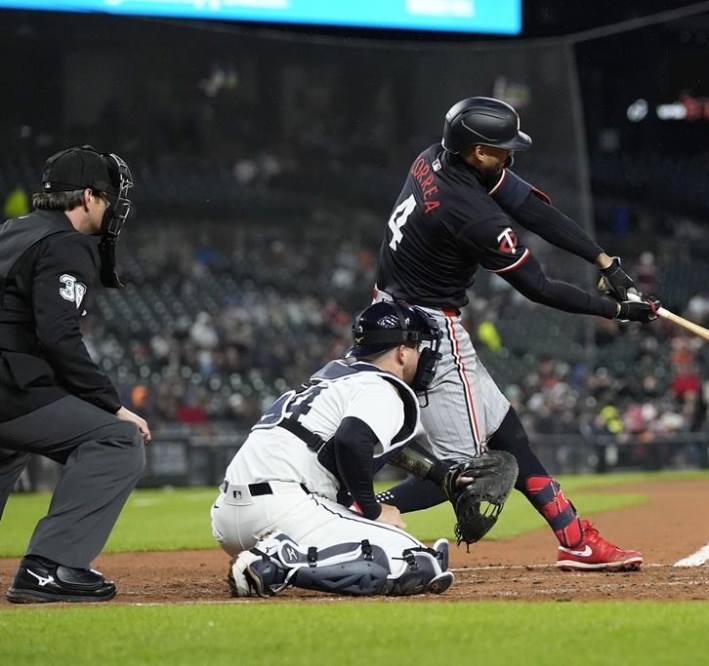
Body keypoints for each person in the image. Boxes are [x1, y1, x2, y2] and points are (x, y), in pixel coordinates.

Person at [371, 95, 660, 571]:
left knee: (509, 434)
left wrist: (605, 262)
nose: (511, 155)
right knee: (469, 473)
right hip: (426, 333)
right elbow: (539, 288)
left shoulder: (435, 157)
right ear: (478, 152)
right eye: (503, 148)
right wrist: (615, 310)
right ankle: (355, 512)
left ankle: (575, 539)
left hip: (396, 314)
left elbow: (531, 208)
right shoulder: (468, 211)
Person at [213, 301, 457, 597]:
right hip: (285, 508)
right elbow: (352, 439)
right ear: (402, 352)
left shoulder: (332, 382)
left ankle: (279, 554)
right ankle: (279, 562)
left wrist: (445, 473)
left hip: (228, 517)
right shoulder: (379, 386)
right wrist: (372, 510)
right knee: (420, 563)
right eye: (417, 347)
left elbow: (369, 443)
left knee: (413, 555)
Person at [0, 145, 150, 603]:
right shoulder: (66, 242)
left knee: (9, 448)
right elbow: (59, 338)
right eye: (108, 198)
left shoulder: (12, 230)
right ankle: (50, 568)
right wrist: (113, 406)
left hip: (10, 385)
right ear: (88, 197)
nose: (113, 209)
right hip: (10, 385)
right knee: (117, 441)